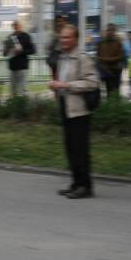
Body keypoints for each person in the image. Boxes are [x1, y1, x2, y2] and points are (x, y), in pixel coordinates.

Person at [47, 25, 100, 199]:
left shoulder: (82, 58)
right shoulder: (63, 58)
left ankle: (86, 186)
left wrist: (66, 85)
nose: (64, 41)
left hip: (79, 110)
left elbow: (92, 82)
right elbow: (61, 79)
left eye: (67, 38)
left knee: (80, 149)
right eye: (62, 38)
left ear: (75, 39)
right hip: (66, 107)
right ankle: (76, 183)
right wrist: (55, 85)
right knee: (70, 148)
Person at [96, 23, 126, 100]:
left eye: (112, 30)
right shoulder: (101, 43)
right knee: (108, 90)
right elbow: (98, 56)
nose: (110, 32)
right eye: (108, 30)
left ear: (115, 31)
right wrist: (103, 61)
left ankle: (115, 107)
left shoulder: (118, 43)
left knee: (115, 91)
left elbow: (121, 56)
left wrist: (106, 59)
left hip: (115, 70)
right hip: (106, 70)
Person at [6, 21, 35, 97]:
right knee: (13, 90)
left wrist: (21, 52)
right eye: (14, 26)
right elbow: (5, 53)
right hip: (12, 66)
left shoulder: (26, 36)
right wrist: (7, 50)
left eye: (17, 25)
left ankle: (24, 105)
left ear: (21, 26)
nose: (15, 27)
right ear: (12, 27)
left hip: (22, 66)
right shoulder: (10, 37)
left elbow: (32, 50)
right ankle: (13, 105)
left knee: (23, 89)